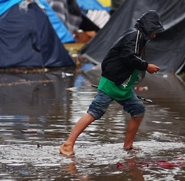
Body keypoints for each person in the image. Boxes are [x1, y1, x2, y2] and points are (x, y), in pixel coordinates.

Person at [60, 10, 164, 156]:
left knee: (138, 111)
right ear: (149, 28)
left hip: (123, 86)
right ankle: (67, 144)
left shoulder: (139, 38)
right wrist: (147, 66)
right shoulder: (134, 36)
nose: (156, 35)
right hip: (112, 83)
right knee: (94, 112)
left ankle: (128, 146)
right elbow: (129, 56)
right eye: (155, 30)